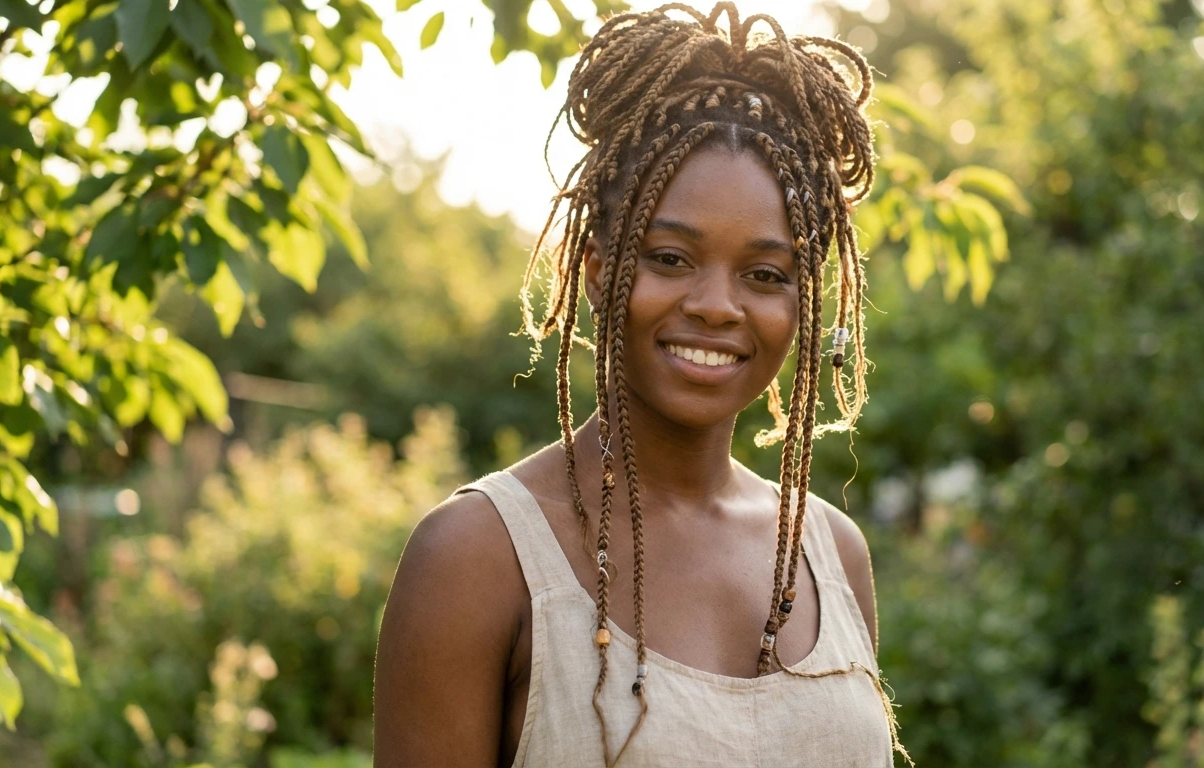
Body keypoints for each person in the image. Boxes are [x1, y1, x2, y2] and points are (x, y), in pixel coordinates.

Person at [373, 3, 907, 765]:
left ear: (804, 302)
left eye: (765, 274)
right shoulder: (477, 557)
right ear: (597, 270)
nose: (717, 306)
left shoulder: (831, 554)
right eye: (670, 258)